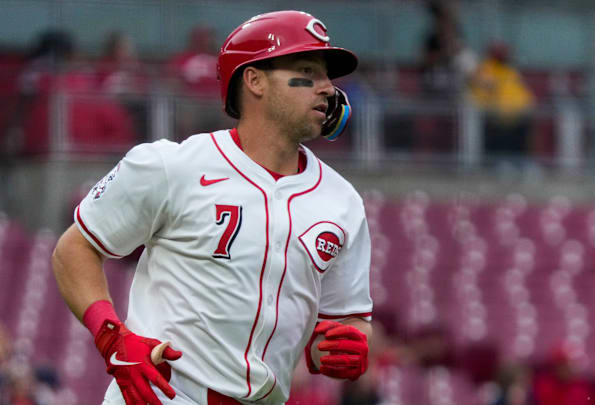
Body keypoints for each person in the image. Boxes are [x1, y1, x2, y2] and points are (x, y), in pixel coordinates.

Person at [51, 10, 372, 405]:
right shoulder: (173, 165)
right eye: (308, 70)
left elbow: (349, 318)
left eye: (328, 76)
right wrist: (112, 337)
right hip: (163, 395)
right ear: (254, 80)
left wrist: (351, 345)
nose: (327, 88)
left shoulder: (343, 202)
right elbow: (74, 250)